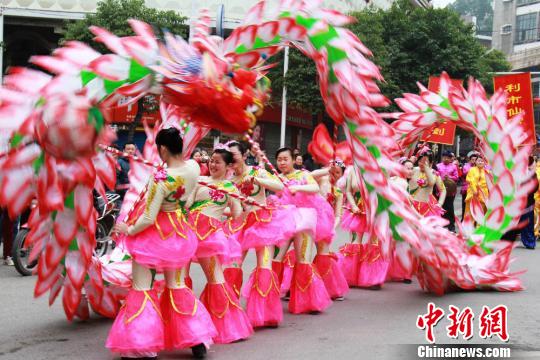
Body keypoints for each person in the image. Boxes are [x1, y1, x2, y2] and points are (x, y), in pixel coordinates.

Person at [109, 128, 215, 360]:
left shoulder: (161, 179)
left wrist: (128, 229)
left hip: (154, 235)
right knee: (176, 286)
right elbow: (190, 195)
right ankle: (197, 340)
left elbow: (148, 217)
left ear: (163, 149)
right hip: (179, 231)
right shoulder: (194, 168)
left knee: (141, 288)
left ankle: (142, 345)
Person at [227, 141, 300, 328]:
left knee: (265, 268)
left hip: (262, 225)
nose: (230, 159)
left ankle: (265, 313)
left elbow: (279, 187)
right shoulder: (229, 180)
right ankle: (229, 311)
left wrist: (258, 181)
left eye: (233, 155)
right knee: (232, 267)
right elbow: (226, 207)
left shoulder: (257, 172)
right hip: (239, 226)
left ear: (243, 155)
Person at [187, 146, 254, 343]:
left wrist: (224, 227)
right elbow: (188, 202)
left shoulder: (230, 188)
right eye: (212, 161)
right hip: (188, 232)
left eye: (218, 162)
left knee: (215, 279)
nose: (213, 164)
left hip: (209, 236)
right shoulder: (200, 180)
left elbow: (237, 214)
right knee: (181, 280)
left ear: (228, 166)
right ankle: (189, 327)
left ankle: (228, 326)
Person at [272, 147, 332, 314]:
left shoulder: (303, 175)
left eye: (285, 159)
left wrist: (298, 188)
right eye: (279, 159)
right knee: (275, 258)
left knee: (303, 260)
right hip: (283, 221)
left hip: (303, 220)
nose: (282, 162)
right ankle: (270, 297)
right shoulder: (277, 178)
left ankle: (308, 302)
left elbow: (315, 188)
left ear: (293, 160)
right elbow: (277, 196)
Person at [310, 161, 350, 300]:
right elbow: (311, 175)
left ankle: (322, 289)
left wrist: (333, 226)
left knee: (323, 254)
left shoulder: (338, 192)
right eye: (333, 171)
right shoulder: (321, 180)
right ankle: (301, 289)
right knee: (302, 255)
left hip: (325, 225)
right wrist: (327, 170)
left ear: (342, 175)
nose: (334, 175)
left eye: (338, 172)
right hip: (309, 220)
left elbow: (338, 214)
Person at [387, 159, 415, 283]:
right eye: (407, 168)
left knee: (391, 244)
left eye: (411, 168)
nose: (410, 171)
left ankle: (388, 272)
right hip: (400, 215)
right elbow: (408, 203)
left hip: (392, 213)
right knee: (404, 244)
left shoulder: (393, 180)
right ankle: (406, 274)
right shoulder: (402, 182)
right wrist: (418, 216)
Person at [409, 149, 446, 217]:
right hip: (411, 204)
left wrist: (439, 204)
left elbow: (443, 190)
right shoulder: (412, 170)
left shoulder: (434, 173)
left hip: (427, 206)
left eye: (425, 162)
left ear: (431, 163)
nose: (421, 164)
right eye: (420, 161)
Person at [436, 151, 459, 231]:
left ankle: (451, 225)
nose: (446, 159)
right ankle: (440, 224)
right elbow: (435, 176)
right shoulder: (438, 166)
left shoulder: (454, 166)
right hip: (440, 190)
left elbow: (456, 177)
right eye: (444, 157)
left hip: (450, 191)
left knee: (450, 207)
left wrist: (449, 177)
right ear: (442, 158)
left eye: (448, 158)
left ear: (450, 159)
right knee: (440, 206)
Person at [521, 156, 538, 250]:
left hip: (529, 201)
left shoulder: (533, 174)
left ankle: (530, 242)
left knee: (528, 222)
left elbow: (535, 187)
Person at [461, 154, 478, 220]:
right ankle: (463, 219)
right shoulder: (466, 166)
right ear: (469, 160)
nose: (473, 161)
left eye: (475, 160)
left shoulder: (479, 167)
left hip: (475, 190)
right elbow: (465, 173)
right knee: (465, 205)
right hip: (466, 189)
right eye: (472, 160)